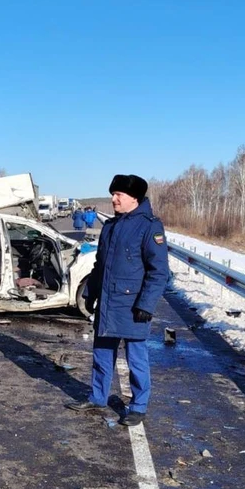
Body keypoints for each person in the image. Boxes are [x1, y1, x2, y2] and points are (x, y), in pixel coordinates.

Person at [66, 175, 169, 427]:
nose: (113, 199)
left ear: (134, 198)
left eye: (118, 195)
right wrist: (90, 293)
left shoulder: (149, 227)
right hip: (108, 303)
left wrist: (146, 304)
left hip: (133, 306)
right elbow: (101, 265)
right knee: (101, 354)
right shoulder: (111, 226)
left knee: (136, 359)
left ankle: (138, 406)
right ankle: (97, 397)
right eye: (113, 194)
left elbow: (159, 271)